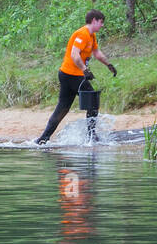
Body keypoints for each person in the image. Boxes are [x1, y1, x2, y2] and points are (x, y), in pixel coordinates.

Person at [35, 10, 117, 145]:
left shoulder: (92, 36)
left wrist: (109, 64)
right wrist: (85, 70)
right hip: (71, 75)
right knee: (92, 101)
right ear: (94, 20)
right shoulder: (82, 34)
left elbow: (97, 53)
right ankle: (91, 137)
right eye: (101, 22)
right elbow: (74, 54)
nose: (102, 25)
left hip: (70, 75)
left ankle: (43, 139)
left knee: (63, 108)